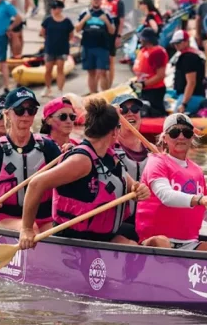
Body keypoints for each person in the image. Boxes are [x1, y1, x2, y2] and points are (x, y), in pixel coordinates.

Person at [18, 98, 164, 249]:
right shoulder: (82, 161)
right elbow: (36, 184)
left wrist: (138, 189)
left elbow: (131, 185)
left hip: (103, 236)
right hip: (75, 241)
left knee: (156, 241)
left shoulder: (109, 156)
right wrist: (27, 229)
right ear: (115, 132)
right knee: (134, 247)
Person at [0, 87, 62, 231]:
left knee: (59, 232)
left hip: (43, 216)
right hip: (6, 216)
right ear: (7, 113)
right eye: (20, 110)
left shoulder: (49, 147)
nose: (26, 115)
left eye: (31, 110)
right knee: (30, 228)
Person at [135, 113, 207, 250]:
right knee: (162, 243)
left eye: (186, 132)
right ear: (165, 138)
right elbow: (166, 196)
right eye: (174, 132)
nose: (181, 136)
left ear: (192, 137)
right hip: (155, 241)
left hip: (190, 243)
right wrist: (200, 199)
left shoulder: (197, 171)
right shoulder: (157, 162)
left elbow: (204, 211)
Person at [76, 0, 115, 94]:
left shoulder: (106, 13)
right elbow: (77, 29)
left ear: (101, 0)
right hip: (88, 46)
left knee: (102, 72)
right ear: (91, 0)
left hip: (102, 47)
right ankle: (93, 95)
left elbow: (112, 31)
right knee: (91, 72)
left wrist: (106, 21)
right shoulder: (85, 12)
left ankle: (105, 95)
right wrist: (84, 19)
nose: (96, 1)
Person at [112, 93, 152, 184]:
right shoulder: (108, 149)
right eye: (124, 110)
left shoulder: (152, 149)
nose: (130, 113)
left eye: (135, 109)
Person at [40, 0, 74, 97]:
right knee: (48, 69)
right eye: (53, 8)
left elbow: (71, 35)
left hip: (62, 48)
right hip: (50, 47)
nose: (54, 10)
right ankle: (47, 87)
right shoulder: (48, 20)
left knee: (60, 68)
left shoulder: (66, 21)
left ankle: (60, 90)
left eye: (56, 8)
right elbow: (43, 32)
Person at [133, 29, 168, 116]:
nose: (140, 40)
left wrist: (143, 84)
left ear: (146, 39)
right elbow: (141, 73)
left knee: (155, 113)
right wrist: (137, 86)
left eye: (141, 38)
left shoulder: (157, 53)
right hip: (144, 89)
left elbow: (160, 75)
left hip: (154, 91)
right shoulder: (143, 50)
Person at [170, 30, 206, 114]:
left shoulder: (188, 57)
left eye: (179, 43)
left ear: (186, 42)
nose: (176, 46)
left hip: (191, 97)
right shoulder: (193, 54)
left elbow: (191, 82)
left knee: (174, 122)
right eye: (174, 43)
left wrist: (184, 104)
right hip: (193, 95)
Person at [101, 0, 125, 88]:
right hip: (101, 34)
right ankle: (102, 85)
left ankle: (110, 84)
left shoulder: (118, 2)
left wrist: (118, 36)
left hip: (112, 34)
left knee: (111, 60)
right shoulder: (101, 1)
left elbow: (121, 20)